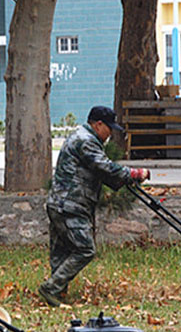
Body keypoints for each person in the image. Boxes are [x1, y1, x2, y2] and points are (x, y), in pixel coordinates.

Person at [38, 105, 150, 307]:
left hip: (59, 202)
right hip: (70, 204)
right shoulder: (86, 141)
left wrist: (121, 181)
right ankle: (51, 288)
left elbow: (99, 173)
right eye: (109, 128)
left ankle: (57, 293)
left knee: (61, 249)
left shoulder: (81, 136)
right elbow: (104, 167)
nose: (110, 134)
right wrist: (133, 174)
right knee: (85, 249)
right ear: (98, 124)